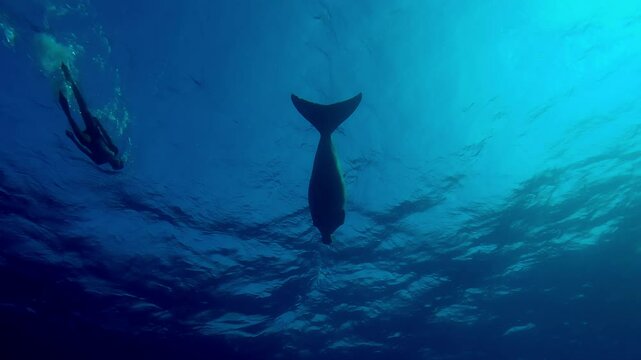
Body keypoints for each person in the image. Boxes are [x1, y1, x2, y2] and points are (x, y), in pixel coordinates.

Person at [58, 63, 124, 170]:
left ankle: (61, 96)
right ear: (119, 159)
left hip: (87, 141)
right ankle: (70, 80)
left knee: (71, 119)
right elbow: (107, 137)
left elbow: (83, 150)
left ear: (112, 166)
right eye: (118, 162)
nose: (116, 162)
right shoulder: (114, 150)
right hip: (96, 133)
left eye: (115, 165)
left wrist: (72, 139)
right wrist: (99, 125)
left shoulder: (99, 161)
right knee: (84, 109)